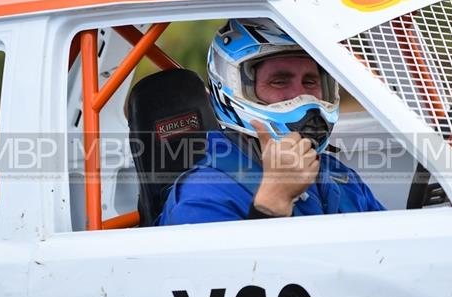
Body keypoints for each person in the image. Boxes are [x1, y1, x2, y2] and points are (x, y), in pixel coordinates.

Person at [157, 18, 385, 225]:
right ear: (233, 88)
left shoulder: (338, 174)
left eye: (310, 81)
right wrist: (273, 202)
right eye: (279, 82)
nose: (301, 97)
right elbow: (220, 271)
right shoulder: (204, 195)